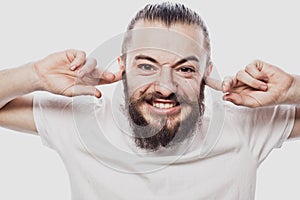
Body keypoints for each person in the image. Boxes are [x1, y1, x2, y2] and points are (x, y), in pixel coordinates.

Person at [0, 2, 299, 200]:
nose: (166, 88)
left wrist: (290, 90)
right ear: (122, 67)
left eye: (185, 69)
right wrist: (35, 75)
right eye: (146, 65)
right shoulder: (81, 123)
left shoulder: (245, 128)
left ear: (207, 74)